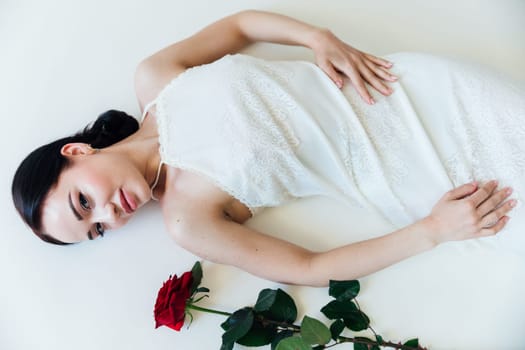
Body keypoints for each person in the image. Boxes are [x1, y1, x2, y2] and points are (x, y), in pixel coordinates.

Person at [12, 10, 523, 287]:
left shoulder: (156, 79)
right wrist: (432, 232)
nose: (108, 215)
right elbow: (309, 269)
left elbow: (238, 27)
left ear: (77, 153)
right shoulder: (186, 221)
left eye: (83, 201)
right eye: (96, 229)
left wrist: (317, 38)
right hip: (416, 180)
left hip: (411, 88)